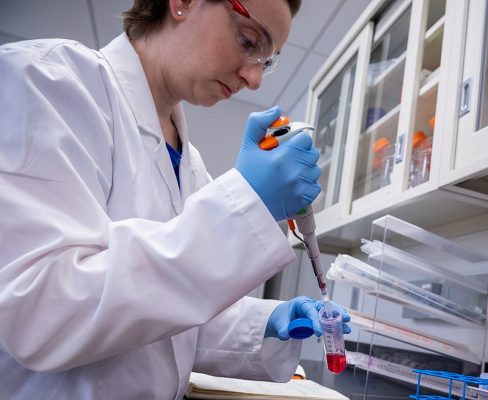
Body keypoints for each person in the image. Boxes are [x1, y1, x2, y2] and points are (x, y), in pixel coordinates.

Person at [0, 0, 350, 398]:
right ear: (182, 4)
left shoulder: (191, 165)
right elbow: (43, 313)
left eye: (267, 62)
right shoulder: (46, 81)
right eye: (249, 40)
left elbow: (168, 322)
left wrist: (270, 322)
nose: (254, 79)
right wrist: (245, 201)